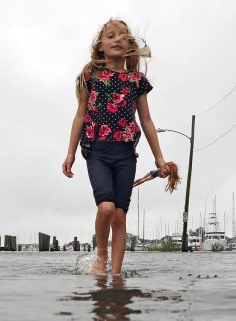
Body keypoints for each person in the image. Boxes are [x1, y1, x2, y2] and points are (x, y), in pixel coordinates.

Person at [62, 19, 179, 275]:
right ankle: (101, 257)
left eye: (123, 36)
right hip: (97, 151)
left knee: (119, 215)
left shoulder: (137, 81)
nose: (117, 39)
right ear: (101, 46)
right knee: (105, 207)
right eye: (111, 36)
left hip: (126, 154)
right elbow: (80, 115)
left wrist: (160, 159)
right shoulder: (90, 76)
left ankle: (115, 276)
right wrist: (70, 153)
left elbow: (146, 120)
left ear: (129, 46)